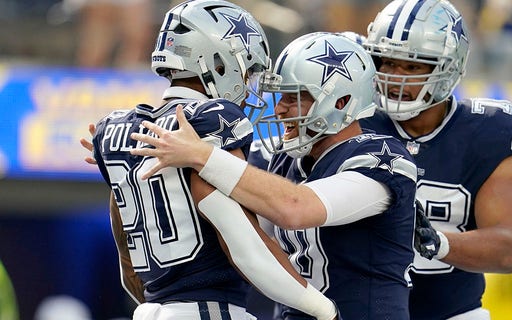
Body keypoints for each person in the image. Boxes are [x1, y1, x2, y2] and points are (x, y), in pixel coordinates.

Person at [126, 32, 418, 319]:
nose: (278, 109)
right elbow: (243, 230)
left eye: (293, 98)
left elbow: (295, 208)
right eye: (280, 97)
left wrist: (203, 155)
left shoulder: (383, 158)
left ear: (340, 102)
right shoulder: (285, 159)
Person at [81, 1, 339, 319]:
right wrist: (322, 308)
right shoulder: (210, 120)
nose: (248, 88)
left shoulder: (116, 130)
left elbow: (129, 265)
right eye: (248, 71)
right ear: (218, 62)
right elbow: (244, 247)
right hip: (209, 310)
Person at [361, 0, 512, 319]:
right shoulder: (355, 119)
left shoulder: (489, 131)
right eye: (387, 61)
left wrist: (435, 243)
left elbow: (507, 251)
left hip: (452, 313)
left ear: (447, 67)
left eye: (412, 67)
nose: (395, 77)